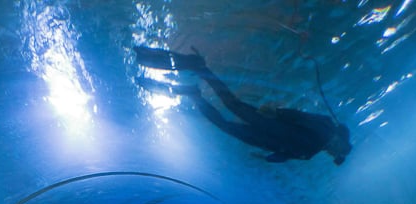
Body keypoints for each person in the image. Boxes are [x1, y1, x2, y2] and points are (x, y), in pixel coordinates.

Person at [134, 45, 352, 165]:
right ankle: (200, 73)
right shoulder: (325, 129)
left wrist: (268, 158)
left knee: (226, 120)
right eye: (340, 149)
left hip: (260, 136)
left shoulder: (310, 153)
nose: (335, 153)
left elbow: (285, 153)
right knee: (231, 105)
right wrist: (276, 112)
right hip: (267, 124)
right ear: (341, 140)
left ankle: (195, 91)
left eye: (337, 154)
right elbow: (301, 118)